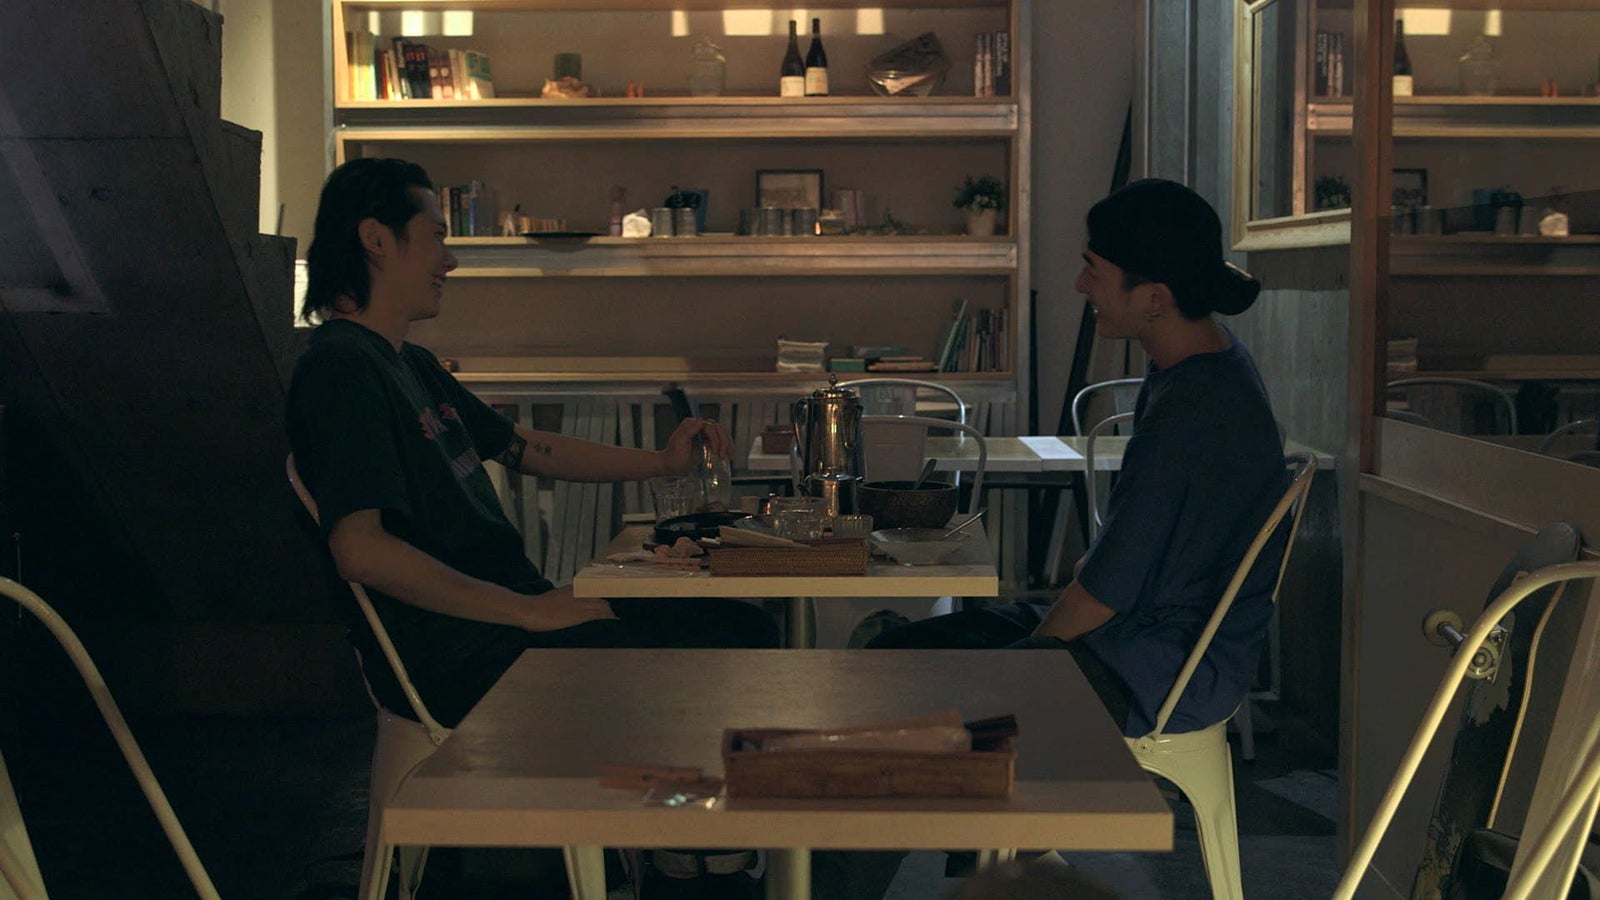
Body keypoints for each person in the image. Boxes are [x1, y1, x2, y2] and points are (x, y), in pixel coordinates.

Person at [827, 178, 1288, 898]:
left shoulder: (1195, 408)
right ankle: (998, 859)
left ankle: (936, 869)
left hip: (1157, 663)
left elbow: (1107, 590)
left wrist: (1025, 659)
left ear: (1154, 297)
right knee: (896, 662)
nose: (1080, 286)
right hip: (1150, 638)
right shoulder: (1203, 369)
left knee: (916, 721)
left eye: (1093, 270)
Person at [286, 156, 778, 727]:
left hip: (505, 623)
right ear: (376, 239)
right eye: (436, 237)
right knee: (732, 644)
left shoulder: (410, 364)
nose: (449, 260)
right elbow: (361, 551)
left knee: (743, 625)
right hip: (464, 656)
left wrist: (662, 462)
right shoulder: (340, 370)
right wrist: (527, 610)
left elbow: (523, 446)